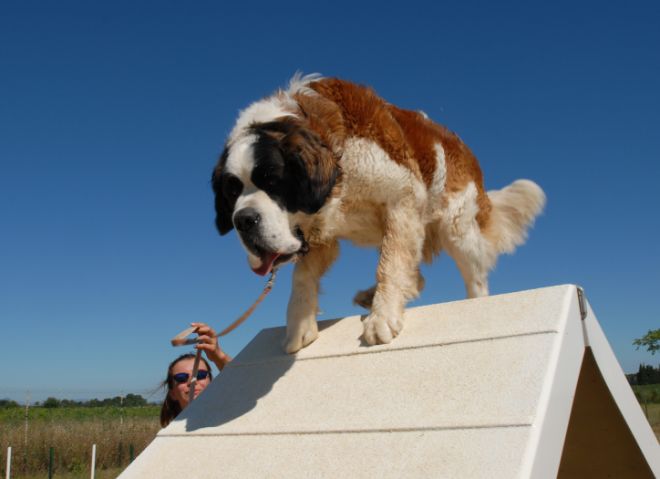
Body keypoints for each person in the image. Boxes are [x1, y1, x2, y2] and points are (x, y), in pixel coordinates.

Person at [160, 322, 231, 427]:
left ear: (211, 383)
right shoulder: (169, 436)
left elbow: (247, 381)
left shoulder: (230, 417)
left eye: (201, 375)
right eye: (181, 378)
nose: (192, 381)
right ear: (173, 394)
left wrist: (218, 356)